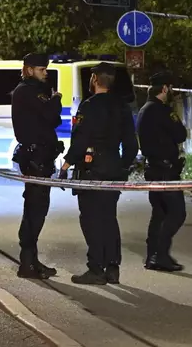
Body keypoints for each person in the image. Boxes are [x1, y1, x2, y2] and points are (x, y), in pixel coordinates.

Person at [58, 62, 138, 285]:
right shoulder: (122, 107)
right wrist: (122, 166)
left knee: (91, 220)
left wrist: (65, 166)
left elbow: (80, 141)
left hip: (91, 169)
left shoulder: (88, 106)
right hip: (113, 167)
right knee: (109, 218)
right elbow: (131, 145)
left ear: (94, 80)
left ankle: (96, 269)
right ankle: (113, 267)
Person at [11, 53, 65, 280]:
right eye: (42, 69)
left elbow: (52, 120)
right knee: (35, 209)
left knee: (38, 209)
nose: (46, 73)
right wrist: (56, 99)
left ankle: (32, 261)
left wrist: (52, 101)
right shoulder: (25, 91)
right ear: (29, 69)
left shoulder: (36, 91)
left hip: (42, 157)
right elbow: (51, 115)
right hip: (34, 158)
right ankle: (27, 263)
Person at [136, 71, 188, 272]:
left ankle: (153, 256)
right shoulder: (162, 111)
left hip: (153, 168)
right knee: (177, 213)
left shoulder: (144, 110)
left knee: (159, 213)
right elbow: (181, 134)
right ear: (165, 89)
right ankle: (161, 254)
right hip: (166, 171)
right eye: (170, 88)